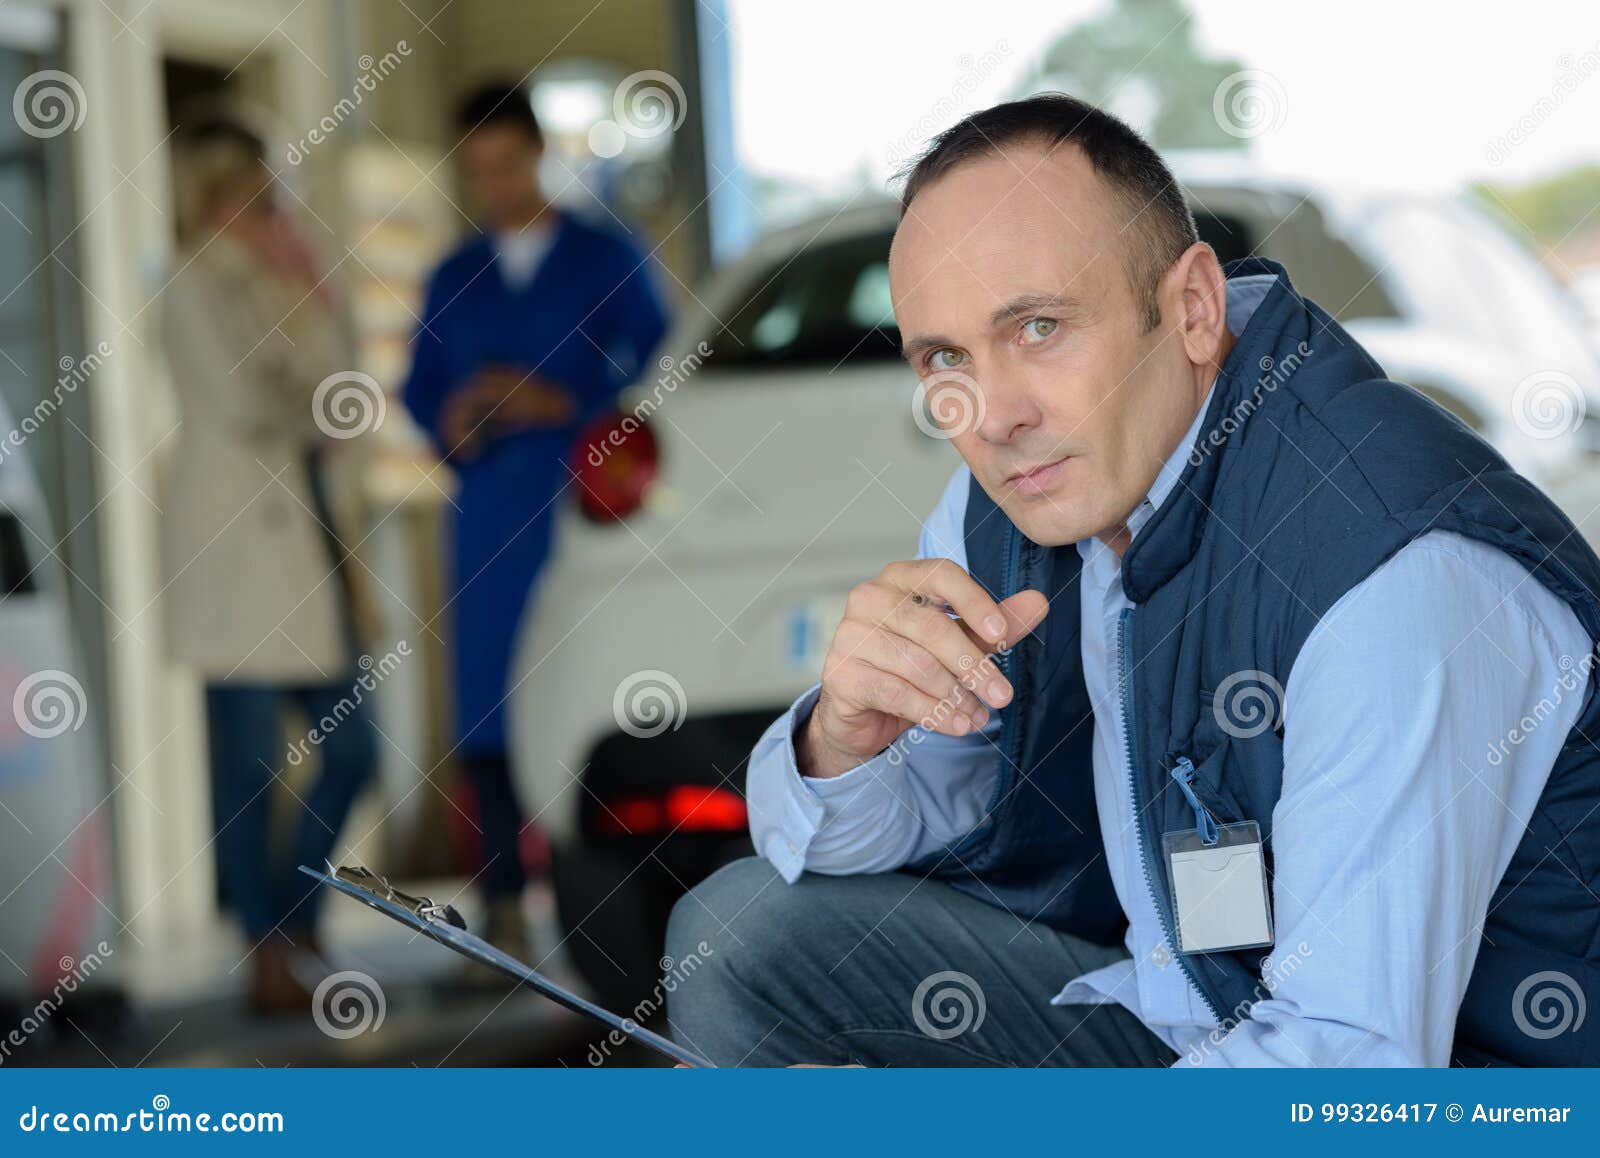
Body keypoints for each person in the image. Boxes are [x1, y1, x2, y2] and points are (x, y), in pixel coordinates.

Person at [666, 94, 1600, 1067]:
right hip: (1194, 1019)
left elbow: (1345, 1066)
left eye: (1036, 328)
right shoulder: (1018, 501)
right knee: (742, 941)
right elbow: (842, 844)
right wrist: (843, 746)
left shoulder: (1390, 576)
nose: (988, 416)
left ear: (1190, 309)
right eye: (945, 357)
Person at [402, 83, 669, 961]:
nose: (495, 184)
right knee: (487, 703)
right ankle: (504, 905)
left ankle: (608, 901)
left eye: (508, 164)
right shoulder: (454, 271)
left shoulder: (602, 254)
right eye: (476, 170)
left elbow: (660, 357)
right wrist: (451, 419)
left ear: (539, 153)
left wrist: (566, 397)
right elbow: (421, 385)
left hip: (573, 506)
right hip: (484, 510)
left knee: (581, 687)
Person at [162, 119, 376, 1013]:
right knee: (246, 766)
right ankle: (265, 945)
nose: (266, 212)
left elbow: (340, 390)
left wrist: (313, 293)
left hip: (308, 527)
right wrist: (304, 403)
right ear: (210, 204)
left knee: (355, 747)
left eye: (268, 195)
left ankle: (298, 918)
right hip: (234, 551)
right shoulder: (190, 286)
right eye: (248, 196)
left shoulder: (284, 281)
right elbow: (243, 401)